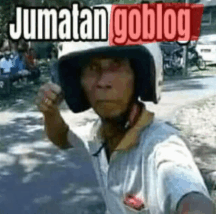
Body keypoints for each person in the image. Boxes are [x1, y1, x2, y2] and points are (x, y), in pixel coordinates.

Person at [35, 4, 214, 214]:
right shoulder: (97, 135)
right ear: (78, 83)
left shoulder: (160, 145)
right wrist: (50, 113)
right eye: (92, 68)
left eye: (117, 65)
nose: (103, 82)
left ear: (139, 77)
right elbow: (62, 137)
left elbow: (190, 196)